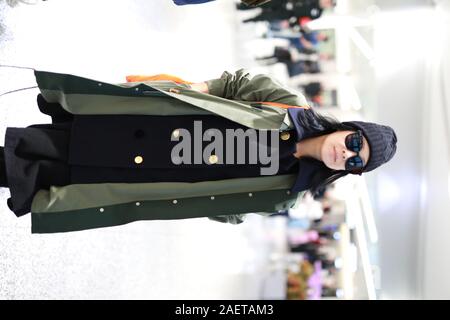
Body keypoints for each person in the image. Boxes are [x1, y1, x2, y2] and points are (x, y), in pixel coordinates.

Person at [0, 69, 397, 233]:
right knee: (36, 146)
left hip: (136, 178)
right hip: (139, 129)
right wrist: (195, 91)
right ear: (348, 128)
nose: (346, 154)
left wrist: (199, 199)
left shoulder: (287, 195)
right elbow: (239, 82)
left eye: (355, 162)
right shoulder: (291, 107)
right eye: (354, 142)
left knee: (39, 180)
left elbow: (231, 211)